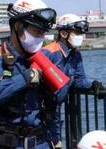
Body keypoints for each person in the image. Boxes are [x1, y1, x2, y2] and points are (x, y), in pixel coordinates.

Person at [0, 0, 68, 148]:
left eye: (43, 33)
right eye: (36, 32)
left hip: (41, 142)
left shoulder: (45, 59)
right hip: (4, 144)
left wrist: (56, 139)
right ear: (17, 27)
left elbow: (58, 99)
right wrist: (24, 79)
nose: (40, 38)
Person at [42, 14, 104, 148]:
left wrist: (93, 85)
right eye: (77, 32)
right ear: (63, 33)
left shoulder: (75, 54)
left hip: (55, 111)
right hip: (40, 110)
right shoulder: (48, 53)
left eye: (81, 33)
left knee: (55, 144)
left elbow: (79, 80)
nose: (80, 36)